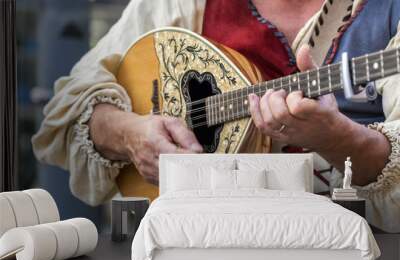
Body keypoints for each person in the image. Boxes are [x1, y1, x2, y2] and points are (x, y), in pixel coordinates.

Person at [32, 0, 400, 233]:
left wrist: (339, 140)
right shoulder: (181, 4)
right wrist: (129, 133)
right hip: (199, 250)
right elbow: (68, 108)